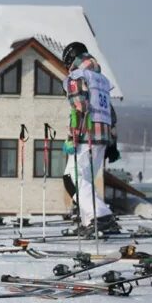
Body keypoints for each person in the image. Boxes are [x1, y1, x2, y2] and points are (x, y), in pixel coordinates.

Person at [61, 41, 120, 235]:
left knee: (72, 177)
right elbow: (111, 113)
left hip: (86, 136)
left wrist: (72, 138)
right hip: (101, 138)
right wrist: (112, 142)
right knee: (84, 179)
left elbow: (80, 109)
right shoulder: (100, 78)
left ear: (70, 59)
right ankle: (90, 222)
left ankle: (100, 216)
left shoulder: (77, 76)